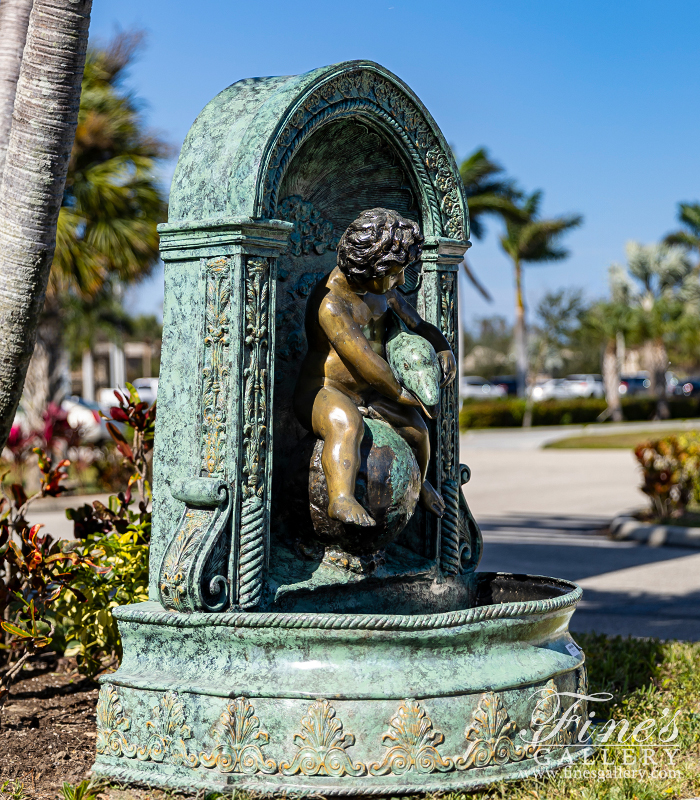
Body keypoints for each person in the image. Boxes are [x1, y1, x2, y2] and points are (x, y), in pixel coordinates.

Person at [293, 208, 456, 527]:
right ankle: (340, 498)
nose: (401, 280)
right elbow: (366, 361)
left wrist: (441, 347)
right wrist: (402, 394)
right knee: (346, 424)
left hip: (372, 393)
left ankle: (419, 483)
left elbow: (418, 324)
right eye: (395, 272)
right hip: (324, 392)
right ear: (367, 266)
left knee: (418, 431)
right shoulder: (331, 303)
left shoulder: (387, 294)